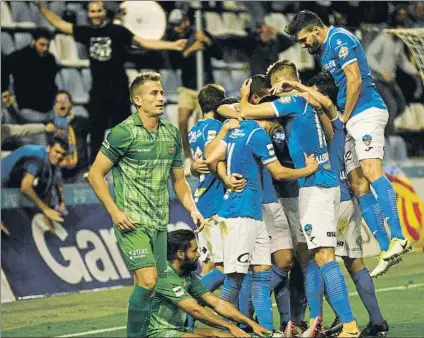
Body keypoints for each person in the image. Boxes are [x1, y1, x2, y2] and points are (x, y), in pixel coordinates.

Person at [285, 10, 412, 275]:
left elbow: (354, 79)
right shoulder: (322, 53)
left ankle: (399, 235)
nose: (303, 44)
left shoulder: (340, 39)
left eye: (303, 38)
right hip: (352, 117)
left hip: (365, 111)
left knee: (371, 170)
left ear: (315, 29)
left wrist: (343, 116)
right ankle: (387, 246)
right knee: (358, 183)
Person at [239, 60, 360, 337]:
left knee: (325, 257)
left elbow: (245, 111)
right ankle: (319, 321)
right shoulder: (311, 104)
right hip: (326, 184)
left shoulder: (292, 102)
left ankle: (350, 326)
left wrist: (245, 96)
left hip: (314, 186)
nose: (271, 90)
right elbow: (332, 125)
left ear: (281, 82)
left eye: (273, 84)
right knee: (319, 258)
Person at [87, 72, 205, 338]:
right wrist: (114, 211)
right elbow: (95, 174)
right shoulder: (122, 133)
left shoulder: (172, 135)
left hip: (159, 223)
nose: (161, 98)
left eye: (162, 92)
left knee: (147, 286)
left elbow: (179, 181)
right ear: (138, 100)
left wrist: (193, 209)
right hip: (131, 222)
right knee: (150, 280)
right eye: (154, 93)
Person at [206, 102, 318, 331]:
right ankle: (228, 330)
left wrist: (226, 178)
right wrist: (307, 171)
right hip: (239, 214)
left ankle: (267, 331)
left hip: (253, 213)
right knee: (234, 277)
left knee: (262, 274)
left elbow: (211, 159)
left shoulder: (237, 130)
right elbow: (278, 172)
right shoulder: (258, 135)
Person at [37, 1, 187, 165]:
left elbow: (143, 42)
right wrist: (42, 8)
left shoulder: (117, 31)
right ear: (88, 14)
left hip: (118, 88)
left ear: (104, 12)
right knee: (96, 130)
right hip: (98, 89)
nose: (95, 14)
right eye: (92, 11)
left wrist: (172, 45)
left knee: (125, 130)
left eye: (98, 10)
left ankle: (128, 165)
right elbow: (60, 24)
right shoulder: (85, 32)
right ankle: (94, 168)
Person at [306, 73, 389, 337]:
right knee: (352, 262)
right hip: (341, 198)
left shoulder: (331, 123)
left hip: (331, 199)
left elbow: (355, 174)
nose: (309, 96)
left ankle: (332, 322)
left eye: (314, 91)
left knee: (321, 260)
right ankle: (373, 321)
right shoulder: (342, 122)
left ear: (325, 95)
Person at [147, 229, 271, 338]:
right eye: (194, 251)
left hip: (177, 328)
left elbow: (216, 303)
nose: (199, 254)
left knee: (227, 336)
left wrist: (252, 324)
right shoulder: (165, 275)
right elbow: (195, 310)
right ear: (180, 254)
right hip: (156, 332)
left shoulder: (187, 275)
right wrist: (230, 326)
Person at [166, 9, 223, 175]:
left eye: (178, 24)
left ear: (186, 21)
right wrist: (191, 49)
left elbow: (219, 54)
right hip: (187, 86)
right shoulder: (174, 39)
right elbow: (173, 63)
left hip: (204, 87)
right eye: (174, 26)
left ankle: (206, 158)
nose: (176, 28)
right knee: (182, 123)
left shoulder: (200, 32)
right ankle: (187, 158)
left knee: (202, 122)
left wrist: (207, 41)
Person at [1, 137, 68, 225]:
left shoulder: (51, 159)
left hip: (12, 179)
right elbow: (25, 187)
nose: (59, 156)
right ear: (48, 148)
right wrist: (45, 209)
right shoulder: (38, 158)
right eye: (57, 152)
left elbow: (57, 180)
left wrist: (62, 202)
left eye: (63, 154)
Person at [1, 28, 57, 117]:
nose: (45, 48)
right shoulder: (19, 56)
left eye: (47, 45)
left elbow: (52, 83)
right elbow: (3, 69)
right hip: (27, 107)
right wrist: (4, 90)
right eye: (42, 44)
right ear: (34, 42)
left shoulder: (50, 59)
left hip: (47, 107)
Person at [222, 24, 293, 75]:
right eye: (263, 32)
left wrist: (275, 31)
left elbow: (289, 42)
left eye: (268, 33)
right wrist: (257, 32)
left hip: (273, 78)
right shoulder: (251, 44)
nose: (265, 34)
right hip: (258, 80)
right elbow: (234, 41)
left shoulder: (275, 45)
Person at [51, 91, 90, 183]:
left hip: (80, 170)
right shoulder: (49, 125)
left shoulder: (81, 121)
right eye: (58, 100)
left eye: (66, 100)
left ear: (71, 105)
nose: (62, 102)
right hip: (58, 171)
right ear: (54, 106)